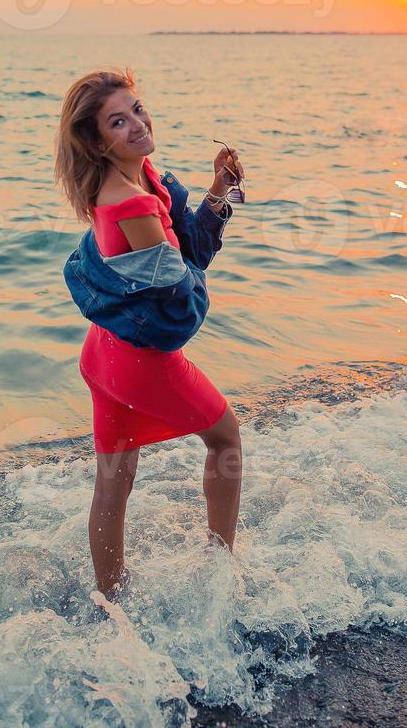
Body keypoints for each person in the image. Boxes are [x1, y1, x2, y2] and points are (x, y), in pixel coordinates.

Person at [54, 65, 244, 600]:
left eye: (136, 109)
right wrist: (201, 241)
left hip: (103, 354)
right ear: (96, 141)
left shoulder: (140, 176)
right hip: (142, 365)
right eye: (118, 121)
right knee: (226, 438)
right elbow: (181, 296)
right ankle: (220, 575)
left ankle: (110, 606)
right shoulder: (132, 201)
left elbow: (186, 253)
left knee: (114, 483)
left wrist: (217, 191)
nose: (138, 124)